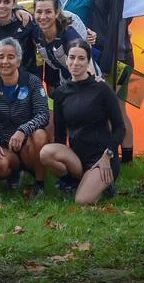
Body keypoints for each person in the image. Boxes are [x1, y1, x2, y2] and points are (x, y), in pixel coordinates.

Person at [39, 41, 125, 204]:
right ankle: (74, 182)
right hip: (77, 158)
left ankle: (103, 184)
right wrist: (63, 163)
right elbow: (60, 134)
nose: (75, 63)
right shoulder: (61, 93)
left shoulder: (102, 89)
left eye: (81, 58)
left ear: (88, 61)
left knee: (81, 201)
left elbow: (120, 128)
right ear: (66, 60)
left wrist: (108, 154)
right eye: (72, 57)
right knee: (46, 153)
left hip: (102, 157)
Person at [84, 0, 134, 164]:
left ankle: (121, 158)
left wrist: (102, 43)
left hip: (117, 58)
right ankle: (123, 157)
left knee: (114, 110)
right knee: (117, 109)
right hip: (104, 55)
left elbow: (120, 26)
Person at [0, 38, 50, 199]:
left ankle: (39, 184)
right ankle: (14, 175)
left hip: (28, 145)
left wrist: (23, 130)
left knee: (40, 134)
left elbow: (43, 114)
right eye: (1, 57)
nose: (5, 61)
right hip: (6, 147)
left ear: (18, 61)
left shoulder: (33, 82)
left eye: (11, 57)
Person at [29, 0, 90, 95]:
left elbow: (88, 67)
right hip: (65, 76)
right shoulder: (36, 32)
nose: (43, 17)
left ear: (57, 13)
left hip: (86, 78)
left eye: (48, 12)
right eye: (39, 12)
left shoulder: (69, 37)